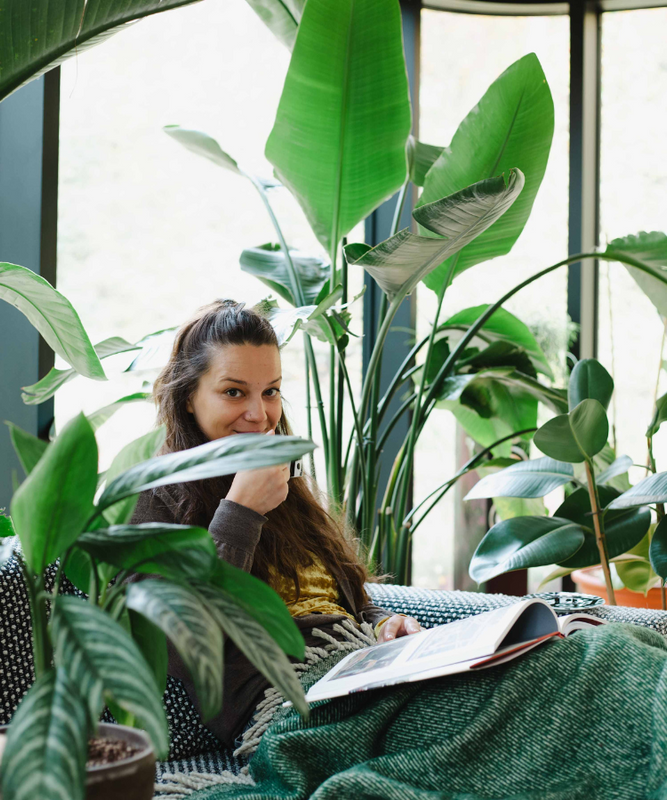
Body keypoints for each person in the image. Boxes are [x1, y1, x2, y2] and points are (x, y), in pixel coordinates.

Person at [130, 299, 422, 748]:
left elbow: (345, 604)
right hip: (286, 705)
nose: (259, 414)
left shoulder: (286, 483)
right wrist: (240, 512)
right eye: (234, 392)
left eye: (270, 391)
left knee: (560, 660)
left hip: (363, 669)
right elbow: (179, 645)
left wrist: (384, 622)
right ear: (188, 397)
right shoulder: (157, 497)